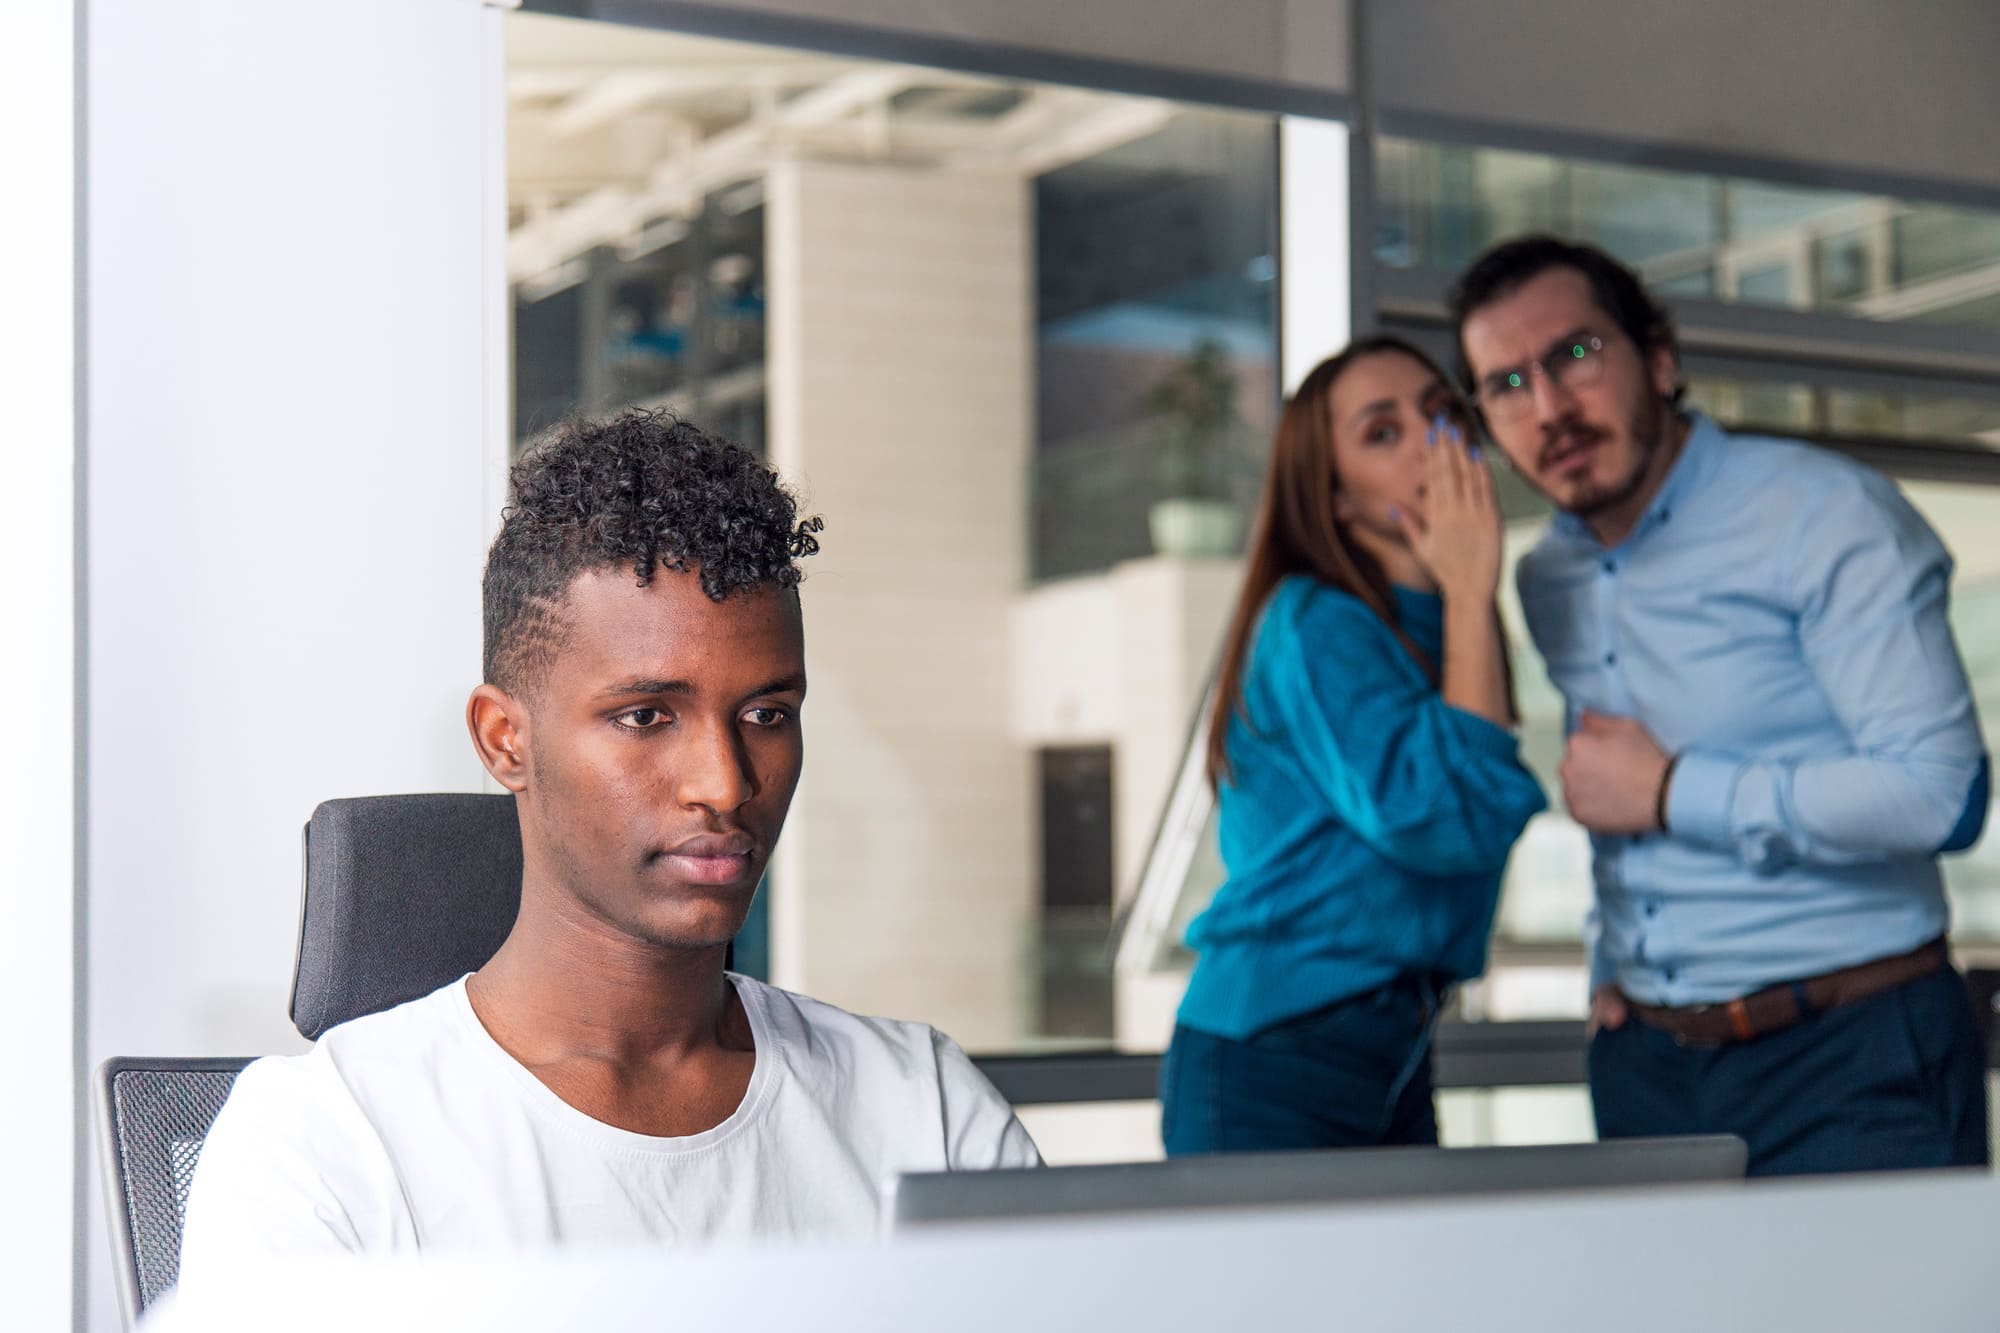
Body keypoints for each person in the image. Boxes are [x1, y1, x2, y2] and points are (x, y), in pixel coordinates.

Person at [180, 412, 1039, 1277]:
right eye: (645, 716)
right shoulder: (330, 1147)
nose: (726, 782)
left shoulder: (922, 1109)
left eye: (766, 715)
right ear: (505, 739)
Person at [1450, 234, 1991, 1176]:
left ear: (1659, 358)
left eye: (1576, 355)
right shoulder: (1548, 575)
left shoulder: (1824, 514)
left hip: (1850, 1054)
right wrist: (1608, 962)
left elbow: (1943, 794)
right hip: (1647, 1070)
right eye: (1506, 384)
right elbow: (1609, 794)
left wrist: (1676, 792)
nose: (1549, 407)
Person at [1161, 336, 1547, 1155]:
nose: (1432, 444)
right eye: (1383, 433)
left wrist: (1467, 598)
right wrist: (1474, 588)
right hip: (1277, 1052)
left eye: (1442, 413)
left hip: (1397, 1042)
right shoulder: (1315, 619)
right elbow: (1447, 819)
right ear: (1334, 497)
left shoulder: (1444, 622)